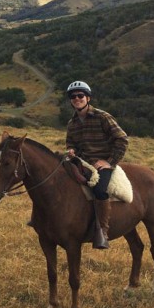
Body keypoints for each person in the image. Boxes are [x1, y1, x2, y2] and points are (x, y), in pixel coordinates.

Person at [65, 80, 128, 249]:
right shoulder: (72, 124)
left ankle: (102, 231)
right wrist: (71, 150)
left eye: (80, 95)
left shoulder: (102, 117)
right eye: (73, 96)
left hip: (101, 164)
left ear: (88, 98)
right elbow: (71, 143)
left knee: (100, 190)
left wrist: (109, 162)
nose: (77, 98)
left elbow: (122, 139)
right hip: (83, 162)